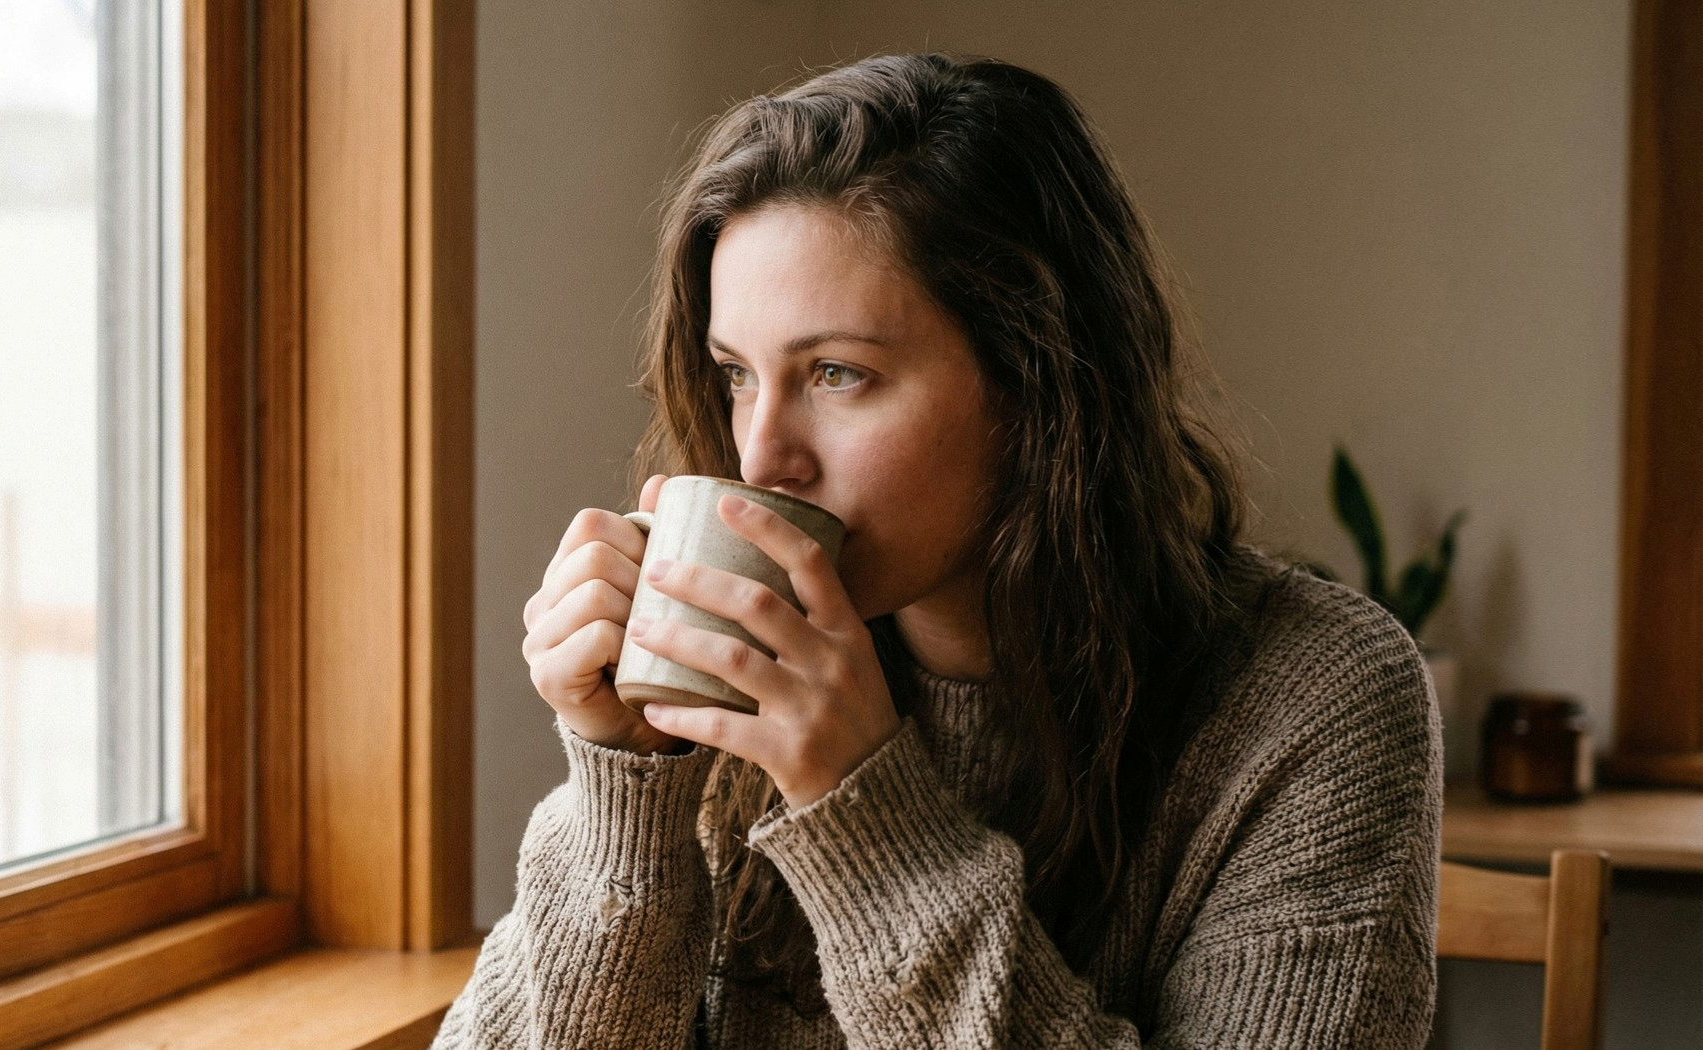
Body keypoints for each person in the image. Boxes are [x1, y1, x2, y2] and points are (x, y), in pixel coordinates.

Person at [432, 51, 1441, 1048]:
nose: (761, 456)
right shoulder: (720, 679)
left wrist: (863, 811)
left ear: (1038, 385)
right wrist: (623, 795)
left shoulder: (1316, 701)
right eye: (737, 375)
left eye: (836, 373)